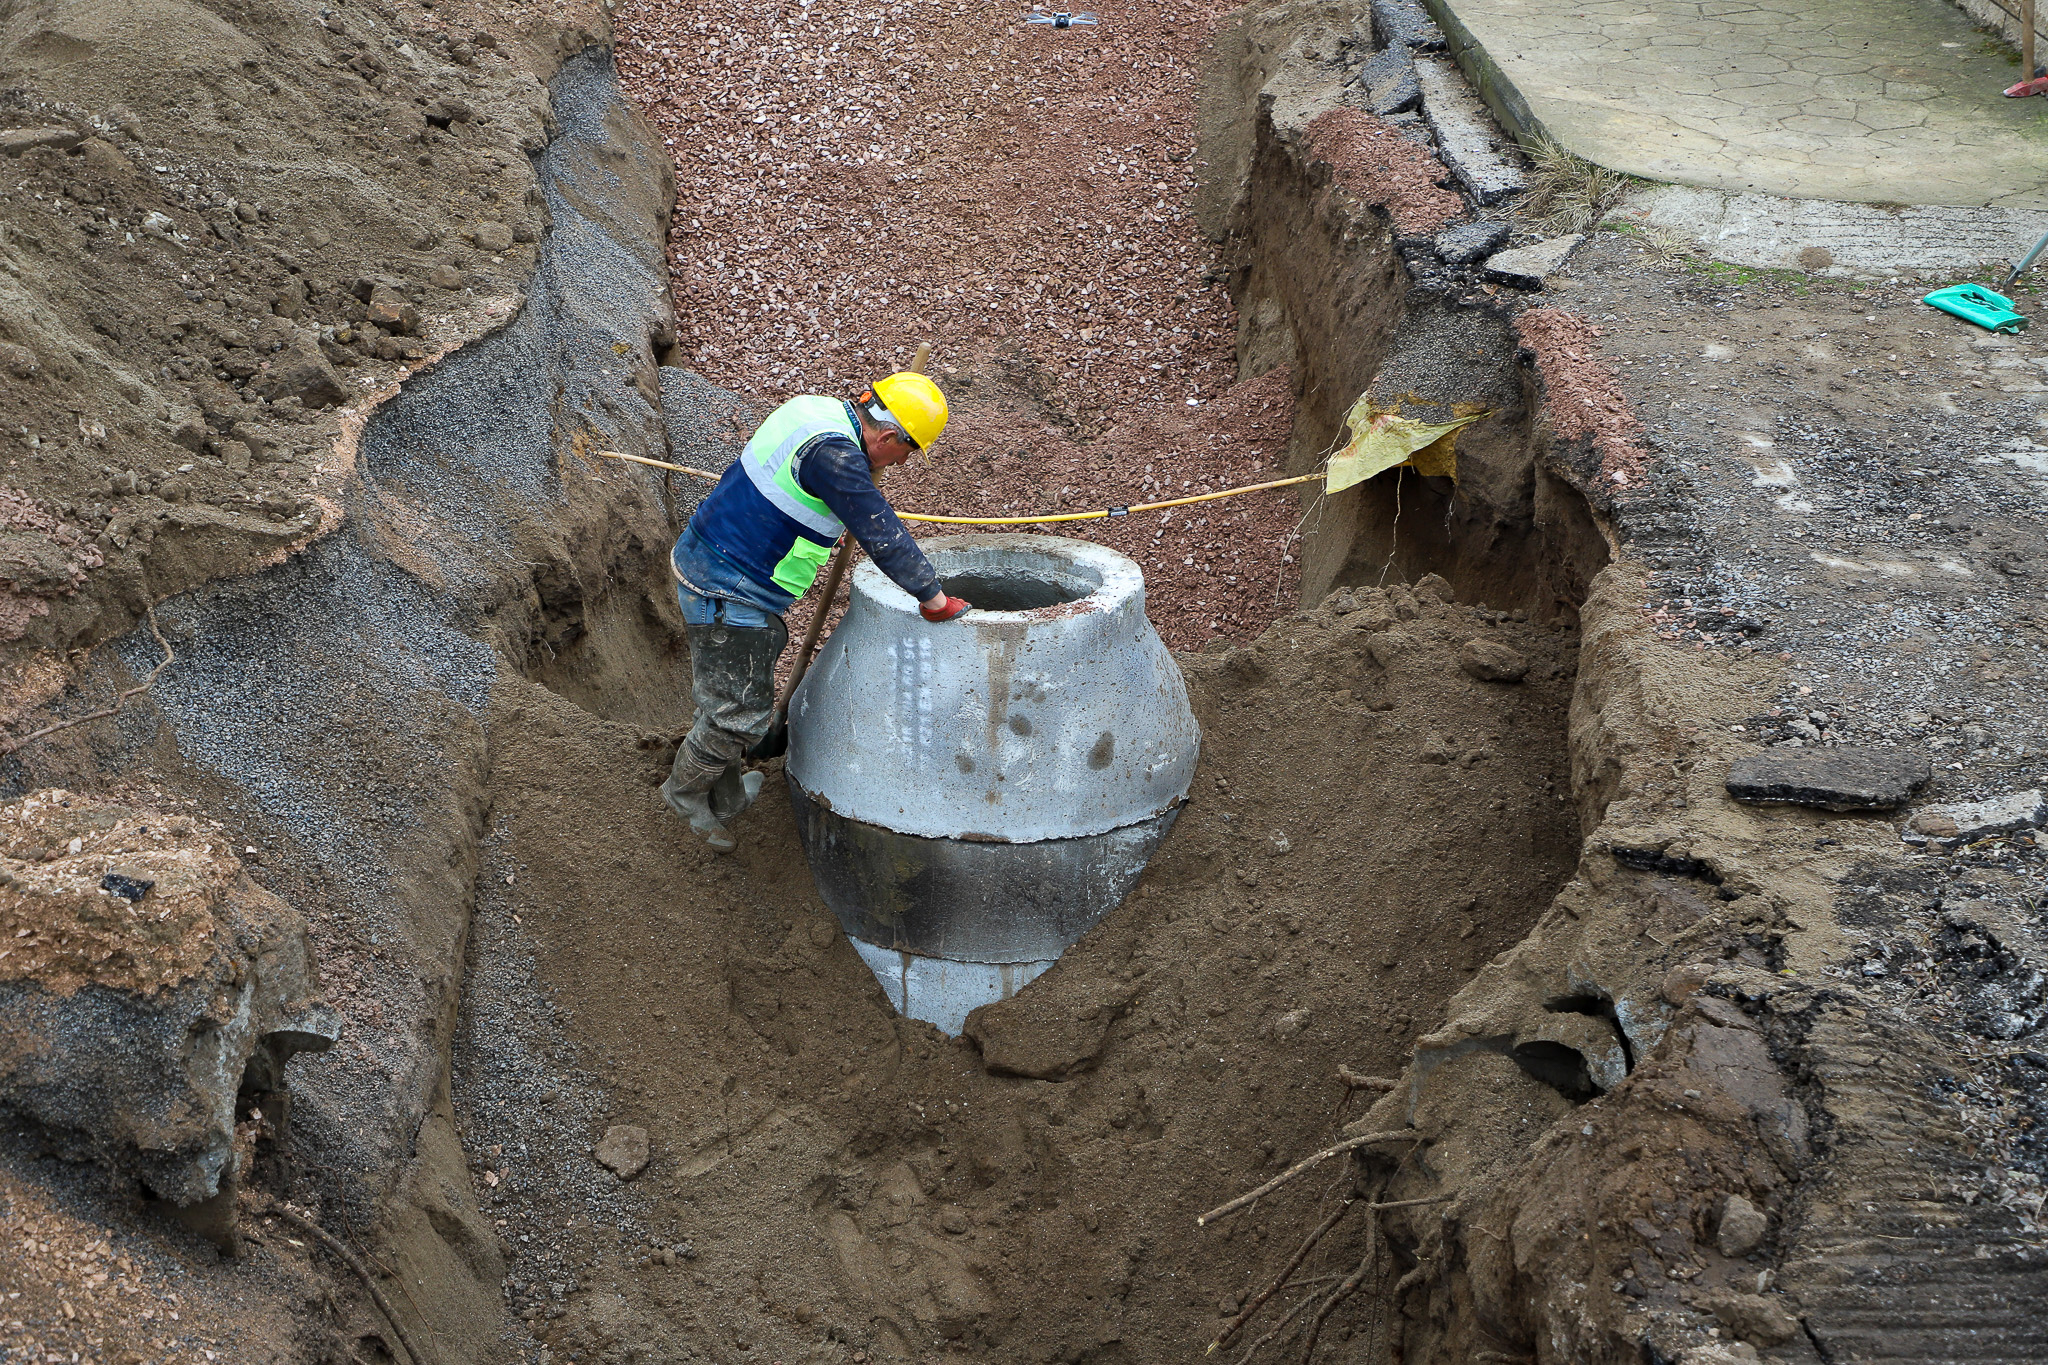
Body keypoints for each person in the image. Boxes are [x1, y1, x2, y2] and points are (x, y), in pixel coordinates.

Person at [662, 371, 972, 852]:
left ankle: (724, 795)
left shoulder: (817, 411)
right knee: (736, 712)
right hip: (728, 587)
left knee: (737, 694)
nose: (903, 461)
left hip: (716, 557)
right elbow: (882, 531)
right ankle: (683, 800)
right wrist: (934, 598)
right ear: (889, 436)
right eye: (907, 452)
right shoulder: (836, 459)